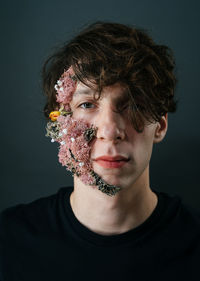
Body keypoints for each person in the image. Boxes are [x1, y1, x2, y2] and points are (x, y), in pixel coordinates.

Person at [0, 21, 199, 281]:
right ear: (59, 124)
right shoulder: (8, 242)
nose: (109, 129)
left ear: (159, 125)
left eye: (132, 105)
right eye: (86, 104)